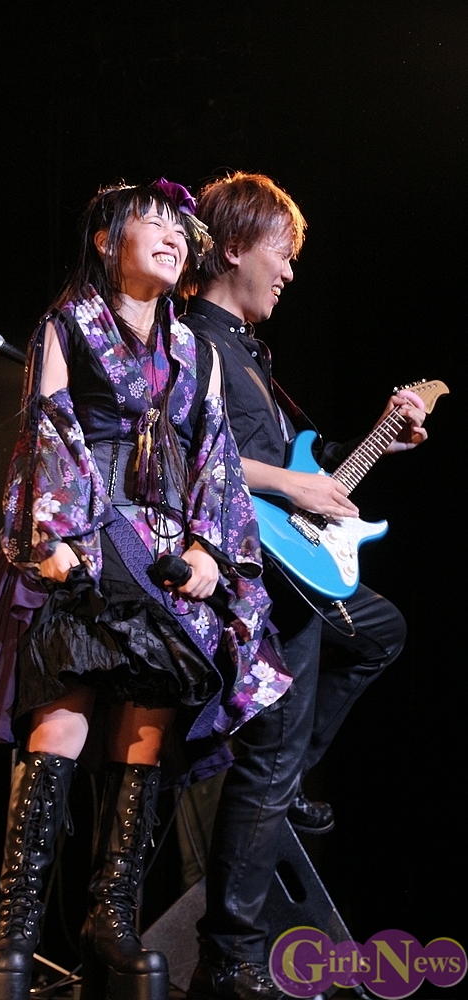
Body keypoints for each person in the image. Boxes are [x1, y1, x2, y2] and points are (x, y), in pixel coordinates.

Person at [0, 179, 292, 1000]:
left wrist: (210, 550)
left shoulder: (197, 351)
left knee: (143, 733)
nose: (173, 237)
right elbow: (47, 432)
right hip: (87, 541)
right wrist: (57, 540)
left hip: (165, 555)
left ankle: (111, 921)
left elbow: (214, 460)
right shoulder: (66, 326)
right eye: (153, 223)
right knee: (61, 724)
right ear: (107, 240)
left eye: (181, 228)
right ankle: (15, 936)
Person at [180, 172, 428, 1000]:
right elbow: (182, 453)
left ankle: (287, 791)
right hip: (252, 577)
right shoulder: (191, 342)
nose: (289, 272)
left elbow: (296, 479)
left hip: (293, 565)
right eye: (281, 253)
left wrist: (373, 445)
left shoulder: (250, 354)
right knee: (267, 760)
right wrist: (291, 485)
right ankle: (229, 957)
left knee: (381, 631)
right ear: (233, 247)